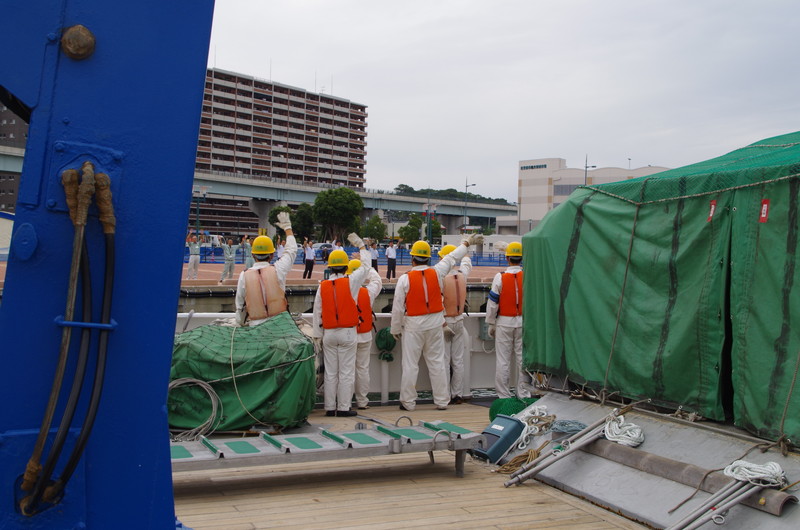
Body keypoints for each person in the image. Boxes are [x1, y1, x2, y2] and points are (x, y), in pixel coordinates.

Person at [390, 234, 482, 411]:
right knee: (437, 363)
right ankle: (441, 401)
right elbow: (452, 257)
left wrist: (395, 328)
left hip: (413, 325)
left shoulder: (405, 279)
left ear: (412, 258)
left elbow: (398, 307)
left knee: (410, 365)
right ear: (428, 258)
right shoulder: (438, 272)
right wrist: (466, 243)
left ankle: (408, 402)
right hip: (435, 323)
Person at [312, 234, 372, 416]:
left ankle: (330, 408)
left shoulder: (322, 286)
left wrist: (318, 335)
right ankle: (344, 407)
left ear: (330, 267)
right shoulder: (351, 282)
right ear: (346, 267)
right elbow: (366, 267)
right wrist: (362, 247)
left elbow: (317, 312)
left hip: (329, 334)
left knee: (331, 373)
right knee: (346, 372)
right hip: (347, 333)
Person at [234, 212, 297, 326]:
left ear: (253, 255)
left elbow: (240, 305)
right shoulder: (278, 269)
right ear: (272, 255)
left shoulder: (244, 275)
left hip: (255, 326)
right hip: (279, 326)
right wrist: (288, 228)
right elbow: (291, 250)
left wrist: (240, 322)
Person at [485, 241, 528, 399]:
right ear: (521, 258)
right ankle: (524, 393)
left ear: (507, 258)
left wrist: (491, 323)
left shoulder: (500, 277)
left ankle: (503, 395)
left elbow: (492, 303)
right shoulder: (527, 275)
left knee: (503, 360)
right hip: (523, 322)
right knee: (522, 360)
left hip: (504, 322)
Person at [347, 258, 382, 410]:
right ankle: (362, 401)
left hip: (348, 335)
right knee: (362, 369)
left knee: (346, 370)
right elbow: (377, 280)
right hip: (365, 335)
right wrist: (368, 268)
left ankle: (345, 402)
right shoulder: (368, 292)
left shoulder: (344, 292)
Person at [439, 244, 472, 404]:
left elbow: (438, 301)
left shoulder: (442, 278)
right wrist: (465, 250)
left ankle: (445, 395)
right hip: (459, 320)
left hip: (445, 322)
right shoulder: (462, 275)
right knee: (458, 360)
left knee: (445, 360)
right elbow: (466, 264)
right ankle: (457, 394)